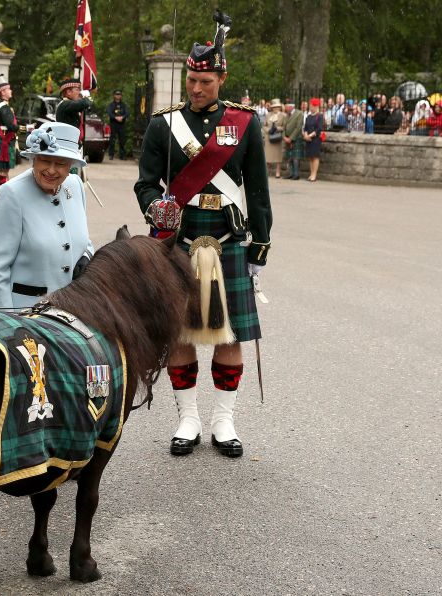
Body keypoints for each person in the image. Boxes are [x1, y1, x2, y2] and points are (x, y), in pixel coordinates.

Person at [134, 12, 272, 458]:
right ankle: (188, 418)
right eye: (191, 80)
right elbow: (146, 184)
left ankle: (224, 421)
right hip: (180, 240)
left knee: (229, 336)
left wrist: (261, 245)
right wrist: (156, 207)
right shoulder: (163, 124)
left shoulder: (244, 125)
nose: (195, 89)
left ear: (221, 78)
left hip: (229, 240)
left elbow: (257, 189)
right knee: (180, 332)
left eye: (205, 81)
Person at [0, 122, 93, 308]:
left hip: (74, 310)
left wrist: (86, 256)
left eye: (60, 163)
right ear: (33, 159)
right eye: (44, 160)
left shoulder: (75, 186)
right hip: (28, 315)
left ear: (71, 167)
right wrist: (9, 324)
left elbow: (84, 241)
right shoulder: (11, 194)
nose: (51, 170)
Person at [0, 78, 18, 185]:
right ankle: (4, 189)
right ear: (3, 92)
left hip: (6, 139)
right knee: (4, 169)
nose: (11, 91)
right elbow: (11, 126)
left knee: (5, 169)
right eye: (9, 89)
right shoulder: (4, 108)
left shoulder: (5, 106)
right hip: (5, 139)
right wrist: (25, 128)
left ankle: (5, 188)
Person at [262, 98, 287, 178]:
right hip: (269, 137)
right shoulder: (268, 115)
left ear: (279, 107)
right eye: (274, 107)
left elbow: (284, 127)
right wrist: (269, 130)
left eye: (277, 107)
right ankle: (266, 171)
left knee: (278, 156)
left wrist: (277, 128)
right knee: (267, 155)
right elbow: (264, 125)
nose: (276, 108)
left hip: (278, 137)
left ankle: (278, 171)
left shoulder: (283, 115)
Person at [303, 97, 323, 182]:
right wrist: (305, 135)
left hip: (315, 139)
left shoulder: (319, 116)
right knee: (310, 157)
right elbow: (305, 128)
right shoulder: (308, 117)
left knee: (315, 157)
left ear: (315, 106)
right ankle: (311, 173)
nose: (310, 108)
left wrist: (310, 136)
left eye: (311, 106)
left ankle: (314, 174)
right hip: (308, 139)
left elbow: (319, 129)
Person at [283, 99, 304, 179]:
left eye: (286, 106)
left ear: (291, 106)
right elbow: (284, 127)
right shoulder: (286, 115)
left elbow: (298, 127)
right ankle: (290, 174)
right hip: (287, 138)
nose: (285, 108)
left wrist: (291, 138)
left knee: (295, 157)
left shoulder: (299, 114)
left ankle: (296, 174)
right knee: (289, 157)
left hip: (296, 138)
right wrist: (284, 136)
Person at [106, 90, 129, 160]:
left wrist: (122, 117)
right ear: (114, 95)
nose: (118, 96)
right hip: (113, 124)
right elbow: (109, 113)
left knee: (122, 140)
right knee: (112, 140)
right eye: (116, 94)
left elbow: (127, 113)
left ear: (121, 96)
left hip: (122, 124)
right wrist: (115, 117)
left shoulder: (123, 105)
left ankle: (122, 155)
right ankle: (111, 155)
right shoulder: (111, 105)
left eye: (119, 94)